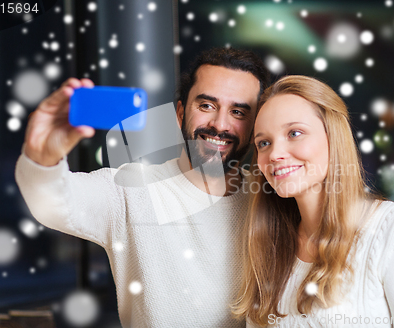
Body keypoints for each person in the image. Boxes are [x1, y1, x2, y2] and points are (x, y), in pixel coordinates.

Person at [15, 47, 270, 328]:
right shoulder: (131, 190)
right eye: (206, 106)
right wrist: (41, 155)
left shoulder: (270, 200)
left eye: (238, 112)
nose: (220, 124)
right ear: (181, 113)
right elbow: (52, 203)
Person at [232, 75, 394, 327]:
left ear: (333, 137)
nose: (275, 154)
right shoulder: (267, 244)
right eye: (263, 143)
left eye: (295, 133)